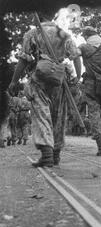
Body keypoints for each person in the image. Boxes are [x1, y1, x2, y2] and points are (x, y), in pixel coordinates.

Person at [8, 11, 82, 167]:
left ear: (38, 17)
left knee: (42, 115)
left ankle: (47, 154)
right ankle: (55, 155)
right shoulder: (64, 34)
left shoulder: (32, 33)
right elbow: (76, 56)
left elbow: (23, 60)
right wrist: (78, 77)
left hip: (39, 79)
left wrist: (14, 82)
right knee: (58, 116)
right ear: (52, 16)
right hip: (59, 80)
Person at [78, 26, 101, 156]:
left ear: (86, 36)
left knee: (94, 114)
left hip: (90, 85)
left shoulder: (83, 47)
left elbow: (73, 56)